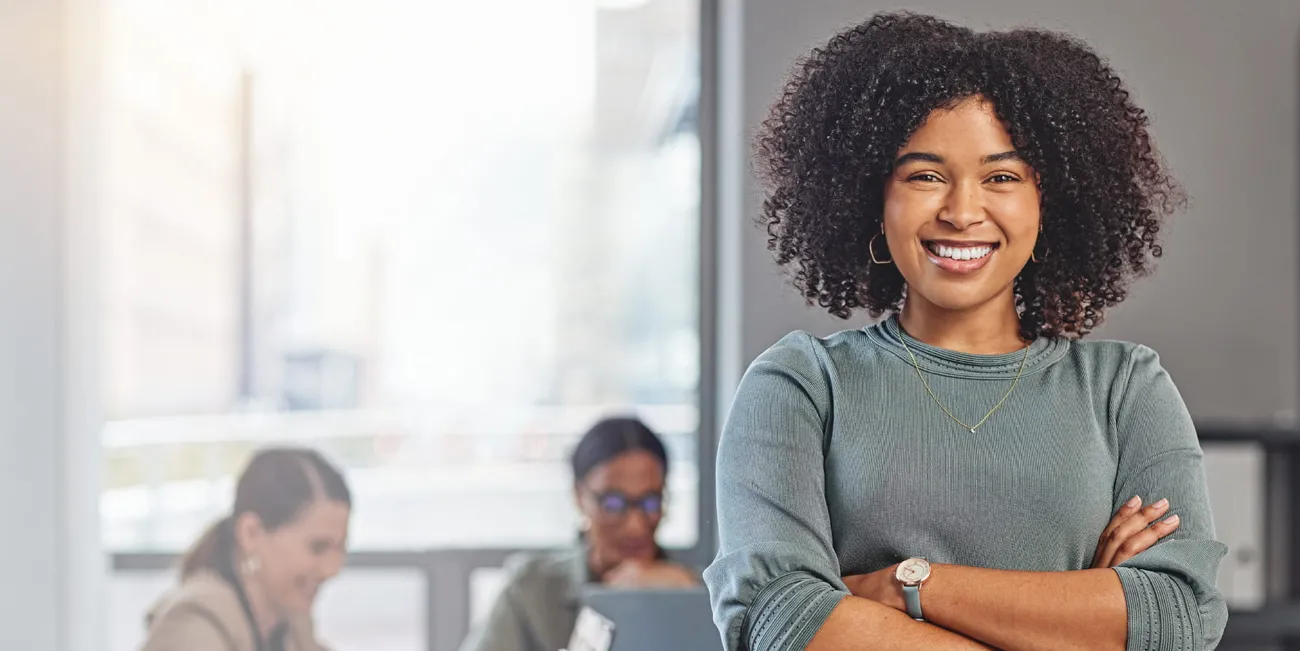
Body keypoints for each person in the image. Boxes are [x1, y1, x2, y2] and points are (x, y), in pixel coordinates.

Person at [704, 12, 1227, 651]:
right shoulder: (802, 385)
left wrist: (906, 585)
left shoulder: (1126, 390)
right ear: (875, 195)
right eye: (924, 175)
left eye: (1001, 177)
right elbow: (782, 623)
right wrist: (1073, 620)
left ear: (1046, 202)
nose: (961, 211)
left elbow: (1180, 619)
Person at [461, 416, 699, 651]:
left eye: (650, 502)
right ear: (579, 496)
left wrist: (688, 594)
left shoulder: (698, 588)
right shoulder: (532, 589)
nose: (635, 525)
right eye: (613, 503)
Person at [142, 447, 352, 651]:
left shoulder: (288, 624)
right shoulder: (194, 624)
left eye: (340, 548)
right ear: (251, 533)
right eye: (317, 547)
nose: (332, 569)